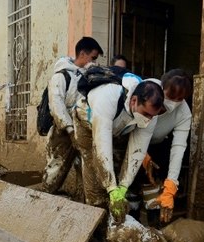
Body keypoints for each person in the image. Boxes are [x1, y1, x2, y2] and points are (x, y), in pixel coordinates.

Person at [72, 74, 164, 223]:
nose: (149, 120)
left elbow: (137, 152)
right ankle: (96, 222)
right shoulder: (108, 97)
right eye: (146, 114)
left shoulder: (149, 113)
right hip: (87, 124)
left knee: (119, 168)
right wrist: (111, 189)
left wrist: (123, 186)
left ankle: (114, 221)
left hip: (119, 128)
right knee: (94, 172)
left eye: (152, 116)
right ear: (134, 100)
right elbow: (101, 149)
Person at [42, 36, 103, 194]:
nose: (94, 63)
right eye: (93, 58)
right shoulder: (61, 76)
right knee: (56, 169)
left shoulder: (90, 77)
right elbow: (56, 104)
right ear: (82, 54)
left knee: (84, 168)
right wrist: (70, 129)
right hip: (62, 132)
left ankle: (81, 203)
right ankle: (43, 199)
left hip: (84, 130)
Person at [140, 69, 193, 224]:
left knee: (155, 185)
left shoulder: (184, 113)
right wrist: (141, 153)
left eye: (180, 98)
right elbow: (130, 124)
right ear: (162, 87)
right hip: (132, 141)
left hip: (158, 145)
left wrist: (171, 184)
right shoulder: (147, 90)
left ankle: (154, 226)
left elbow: (178, 147)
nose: (174, 102)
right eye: (170, 96)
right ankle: (131, 219)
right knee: (131, 186)